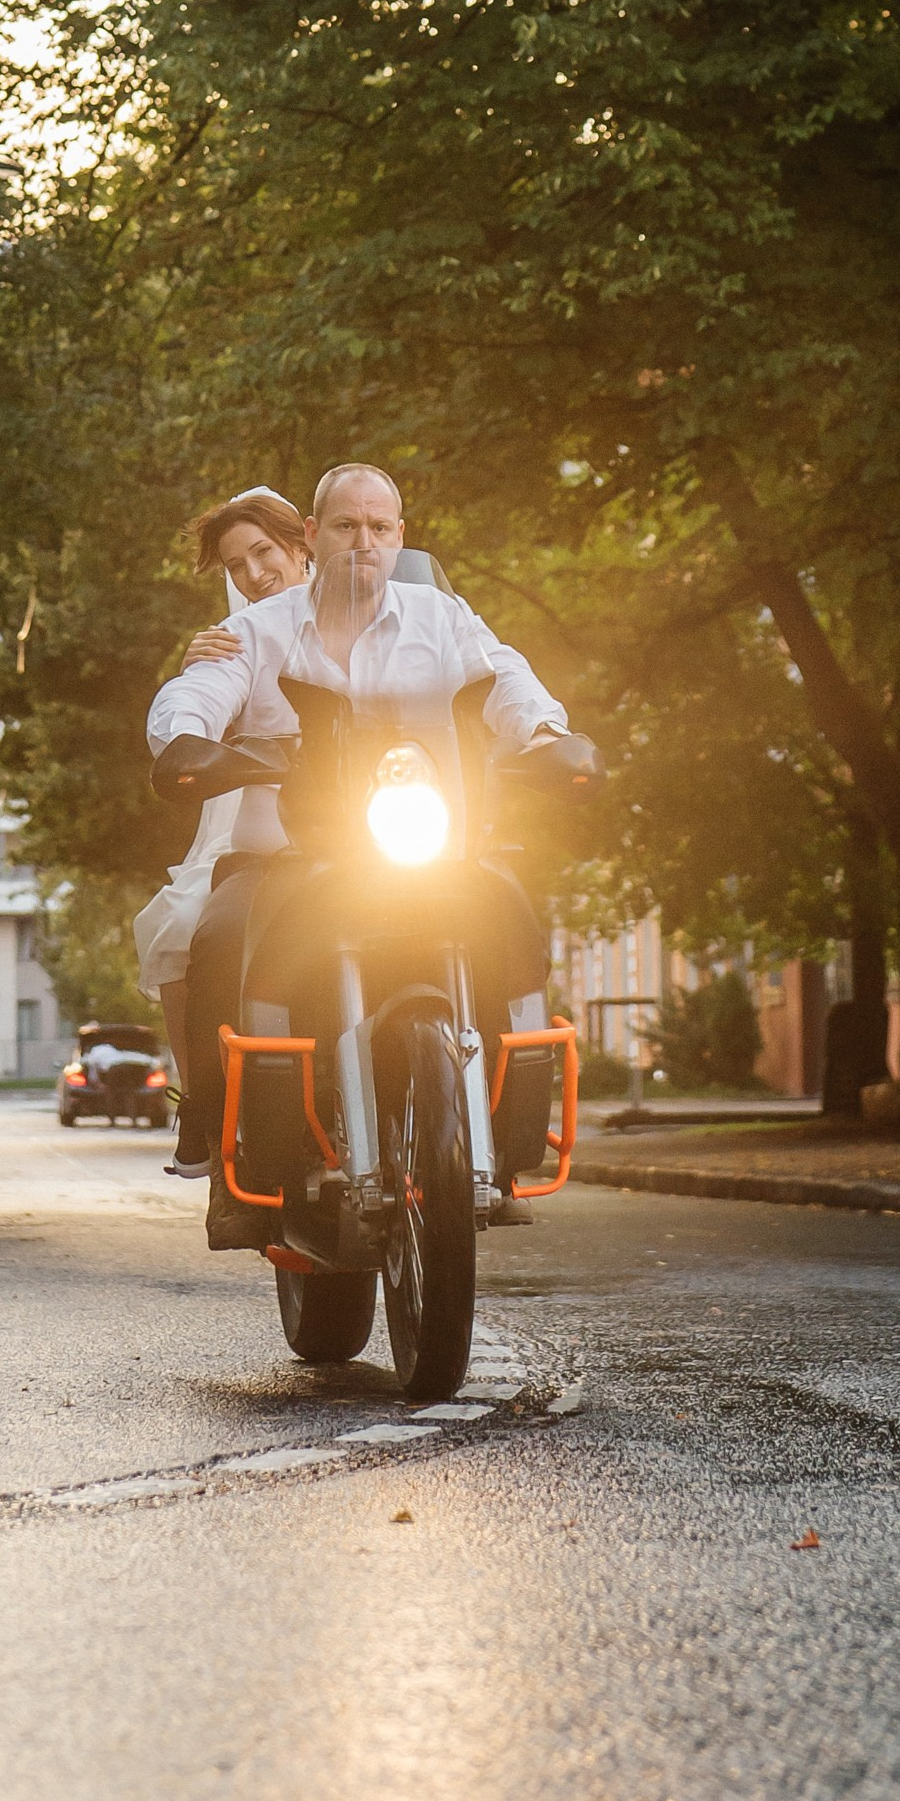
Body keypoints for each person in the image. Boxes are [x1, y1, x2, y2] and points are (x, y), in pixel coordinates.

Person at [146, 462, 574, 1238]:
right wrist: (185, 735)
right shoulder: (251, 632)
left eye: (379, 529)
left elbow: (504, 676)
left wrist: (546, 733)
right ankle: (226, 1150)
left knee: (508, 907)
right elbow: (197, 692)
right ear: (315, 535)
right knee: (212, 940)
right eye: (345, 527)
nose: (362, 543)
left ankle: (501, 1139)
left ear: (399, 537)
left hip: (427, 845)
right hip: (284, 854)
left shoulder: (442, 618)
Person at [133, 485, 313, 1172]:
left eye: (263, 551)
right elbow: (204, 695)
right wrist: (187, 706)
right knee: (185, 926)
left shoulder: (365, 607)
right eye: (237, 565)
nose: (254, 572)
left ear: (300, 541)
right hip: (266, 808)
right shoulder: (234, 638)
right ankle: (203, 1099)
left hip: (377, 807)